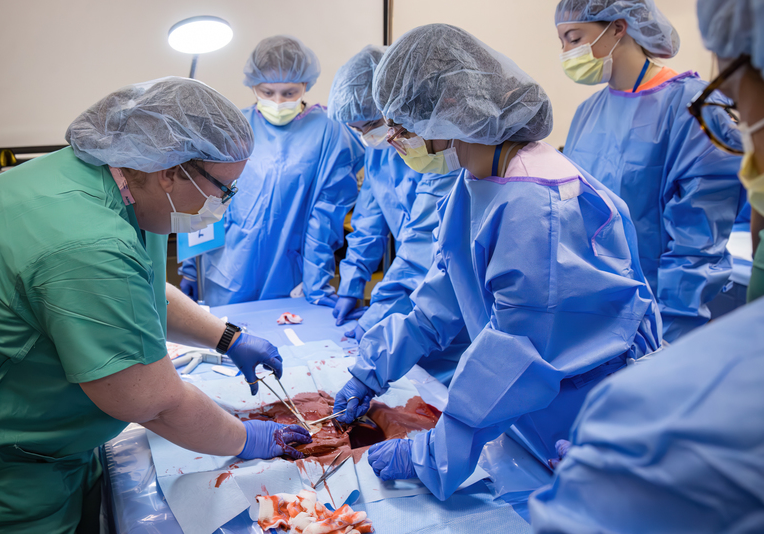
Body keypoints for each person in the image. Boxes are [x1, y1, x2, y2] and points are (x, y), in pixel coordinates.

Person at [0, 77, 311, 533]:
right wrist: (245, 438)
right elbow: (154, 402)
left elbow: (137, 293)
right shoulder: (83, 240)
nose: (224, 205)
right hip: (1, 476)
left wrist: (228, 338)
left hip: (49, 446)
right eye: (222, 189)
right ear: (171, 170)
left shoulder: (114, 183)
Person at [331, 24, 661, 501]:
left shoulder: (536, 206)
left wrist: (430, 454)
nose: (397, 143)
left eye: (404, 128)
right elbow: (442, 298)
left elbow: (513, 357)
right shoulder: (480, 178)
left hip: (587, 418)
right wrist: (372, 366)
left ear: (450, 113)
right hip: (535, 416)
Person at [556, 0, 742, 342]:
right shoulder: (588, 112)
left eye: (574, 37)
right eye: (562, 42)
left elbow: (697, 241)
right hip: (598, 313)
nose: (567, 52)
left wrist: (670, 335)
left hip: (663, 312)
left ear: (618, 27)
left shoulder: (695, 110)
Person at [180, 35, 364, 307]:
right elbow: (202, 200)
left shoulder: (329, 132)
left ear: (306, 84)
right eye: (267, 92)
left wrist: (316, 283)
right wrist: (190, 267)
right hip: (226, 269)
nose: (278, 101)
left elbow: (325, 217)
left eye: (289, 93)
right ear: (253, 85)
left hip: (289, 274)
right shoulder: (231, 128)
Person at [326, 45, 460, 354]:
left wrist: (378, 313)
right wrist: (351, 285)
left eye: (372, 125)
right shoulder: (379, 156)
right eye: (357, 129)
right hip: (411, 283)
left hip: (449, 287)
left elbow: (423, 246)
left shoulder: (438, 153)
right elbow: (367, 226)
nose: (368, 137)